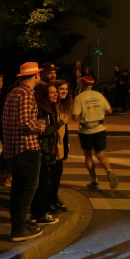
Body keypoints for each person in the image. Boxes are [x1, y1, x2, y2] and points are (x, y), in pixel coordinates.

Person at [2, 62, 47, 242]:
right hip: (26, 147)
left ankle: (18, 223)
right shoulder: (27, 94)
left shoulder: (13, 92)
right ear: (35, 75)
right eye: (38, 74)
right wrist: (39, 127)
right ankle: (19, 229)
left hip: (13, 148)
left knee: (17, 189)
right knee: (28, 188)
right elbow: (25, 122)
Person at [71, 76, 119, 190]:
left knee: (88, 156)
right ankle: (109, 171)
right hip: (100, 128)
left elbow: (75, 117)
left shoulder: (79, 98)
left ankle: (95, 181)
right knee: (101, 154)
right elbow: (109, 110)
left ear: (82, 84)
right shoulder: (99, 95)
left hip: (86, 131)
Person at [29, 83, 63, 225]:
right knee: (42, 184)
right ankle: (40, 214)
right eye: (52, 92)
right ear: (44, 95)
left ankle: (38, 212)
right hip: (42, 151)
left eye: (56, 92)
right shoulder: (42, 110)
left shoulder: (50, 108)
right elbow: (43, 131)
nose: (56, 95)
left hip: (46, 150)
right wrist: (59, 124)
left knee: (43, 183)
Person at [51, 79, 72, 214]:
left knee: (58, 173)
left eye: (66, 89)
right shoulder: (53, 106)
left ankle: (54, 199)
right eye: (61, 89)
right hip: (53, 146)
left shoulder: (62, 106)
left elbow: (65, 128)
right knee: (53, 175)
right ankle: (50, 201)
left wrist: (66, 143)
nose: (64, 91)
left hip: (60, 145)